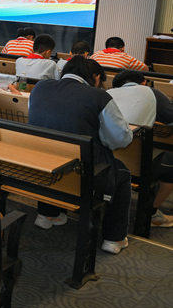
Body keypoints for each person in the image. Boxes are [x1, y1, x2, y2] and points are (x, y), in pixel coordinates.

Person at [28, 57, 133, 254]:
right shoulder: (99, 96)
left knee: (53, 150)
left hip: (42, 164)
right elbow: (121, 139)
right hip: (82, 173)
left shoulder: (40, 87)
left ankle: (47, 215)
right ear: (95, 77)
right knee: (123, 173)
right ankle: (114, 239)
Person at [108, 70, 173, 227]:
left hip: (108, 160)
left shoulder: (107, 94)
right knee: (170, 165)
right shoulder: (153, 93)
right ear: (143, 82)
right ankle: (152, 213)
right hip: (140, 166)